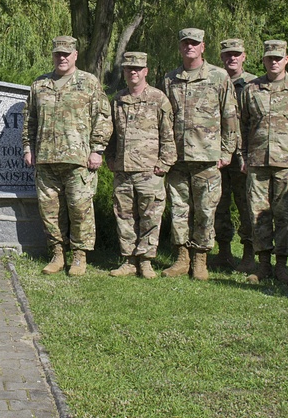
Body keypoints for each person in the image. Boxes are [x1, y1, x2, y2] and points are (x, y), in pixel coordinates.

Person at [22, 36, 112, 277]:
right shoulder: (40, 85)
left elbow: (102, 117)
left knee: (80, 208)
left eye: (66, 54)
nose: (62, 58)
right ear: (53, 55)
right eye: (57, 54)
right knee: (50, 210)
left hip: (78, 159)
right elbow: (29, 120)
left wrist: (97, 149)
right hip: (46, 159)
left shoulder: (88, 83)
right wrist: (28, 148)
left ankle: (80, 256)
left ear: (75, 55)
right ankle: (58, 254)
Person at [160, 28, 238, 280]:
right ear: (180, 47)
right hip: (177, 158)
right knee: (180, 210)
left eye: (194, 43)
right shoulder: (170, 79)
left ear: (203, 46)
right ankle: (182, 258)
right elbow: (165, 119)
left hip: (207, 156)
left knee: (205, 210)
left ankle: (201, 259)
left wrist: (227, 151)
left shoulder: (218, 76)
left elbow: (230, 116)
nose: (189, 47)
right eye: (185, 43)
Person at [239, 40, 288, 284]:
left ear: (286, 59)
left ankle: (281, 265)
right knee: (258, 214)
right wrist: (243, 155)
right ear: (263, 60)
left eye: (278, 58)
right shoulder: (251, 89)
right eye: (270, 58)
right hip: (257, 162)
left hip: (287, 162)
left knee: (284, 215)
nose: (274, 62)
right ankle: (262, 265)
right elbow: (242, 125)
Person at [104, 52, 176, 279]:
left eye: (137, 68)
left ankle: (145, 261)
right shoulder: (118, 100)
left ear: (145, 71)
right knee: (124, 216)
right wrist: (111, 158)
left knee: (150, 216)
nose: (133, 72)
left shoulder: (158, 98)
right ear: (124, 72)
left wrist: (164, 162)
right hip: (123, 170)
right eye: (128, 68)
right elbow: (111, 134)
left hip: (150, 170)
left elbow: (168, 134)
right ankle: (128, 261)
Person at [213, 37, 257, 272]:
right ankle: (224, 251)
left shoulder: (253, 84)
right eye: (227, 54)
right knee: (219, 205)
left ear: (244, 56)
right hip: (217, 152)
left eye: (236, 54)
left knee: (245, 204)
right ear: (221, 57)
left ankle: (249, 253)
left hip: (242, 155)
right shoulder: (214, 81)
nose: (232, 58)